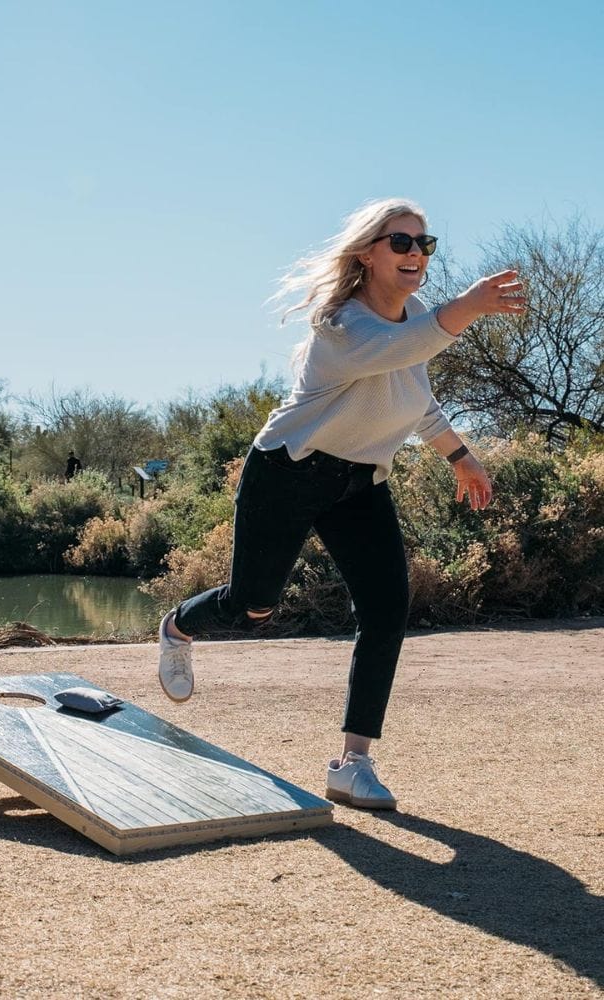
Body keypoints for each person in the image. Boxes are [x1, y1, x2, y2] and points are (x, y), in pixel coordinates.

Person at [156, 198, 525, 809]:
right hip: (289, 471)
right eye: (400, 242)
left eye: (423, 244)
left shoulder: (416, 321)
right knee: (252, 607)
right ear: (367, 254)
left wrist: (461, 456)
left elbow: (416, 397)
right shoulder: (341, 324)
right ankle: (178, 626)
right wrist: (470, 308)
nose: (415, 254)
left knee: (387, 610)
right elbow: (401, 352)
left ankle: (353, 763)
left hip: (359, 483)